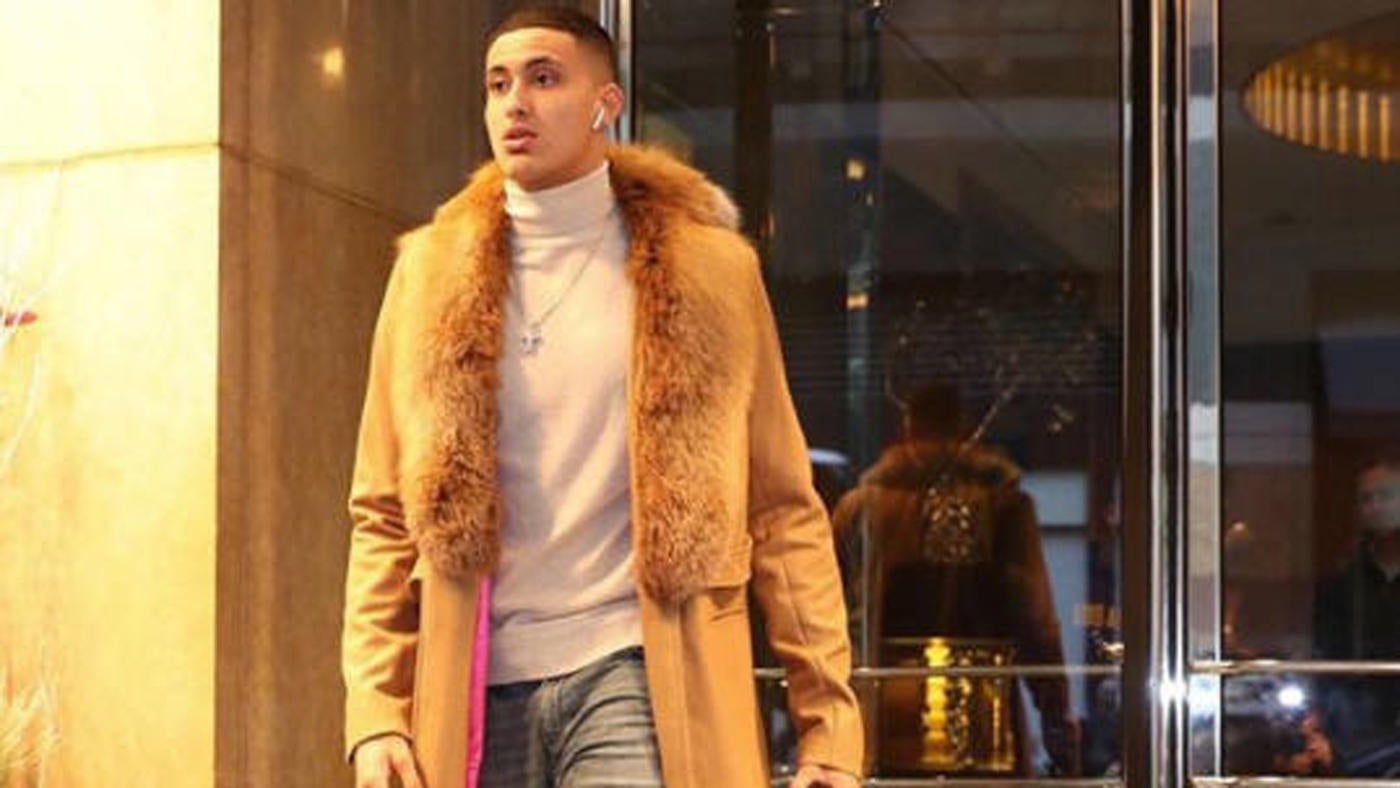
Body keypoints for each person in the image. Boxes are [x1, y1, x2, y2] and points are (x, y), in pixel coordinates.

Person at [340, 7, 862, 788]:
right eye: (497, 84)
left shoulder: (709, 273)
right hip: (478, 678)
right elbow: (382, 513)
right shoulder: (428, 276)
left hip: (637, 669)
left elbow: (784, 510)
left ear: (605, 104)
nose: (515, 103)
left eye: (544, 78)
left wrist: (829, 728)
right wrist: (376, 706)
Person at [832, 384, 1079, 777]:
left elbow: (831, 619)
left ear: (907, 427)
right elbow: (1036, 620)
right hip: (984, 727)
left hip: (886, 724)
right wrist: (1057, 722)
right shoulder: (1004, 505)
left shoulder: (862, 509)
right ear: (963, 427)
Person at [1312, 450, 1400, 776]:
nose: (1375, 506)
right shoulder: (1341, 583)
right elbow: (1326, 657)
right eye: (1366, 498)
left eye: (1386, 495)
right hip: (1356, 731)